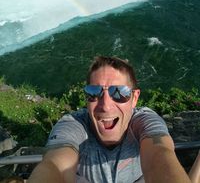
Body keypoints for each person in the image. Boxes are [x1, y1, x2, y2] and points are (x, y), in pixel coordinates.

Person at [27, 56, 191, 183]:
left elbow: (159, 153)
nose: (105, 106)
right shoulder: (73, 125)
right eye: (94, 92)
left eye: (119, 92)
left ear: (134, 98)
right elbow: (55, 165)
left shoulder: (144, 121)